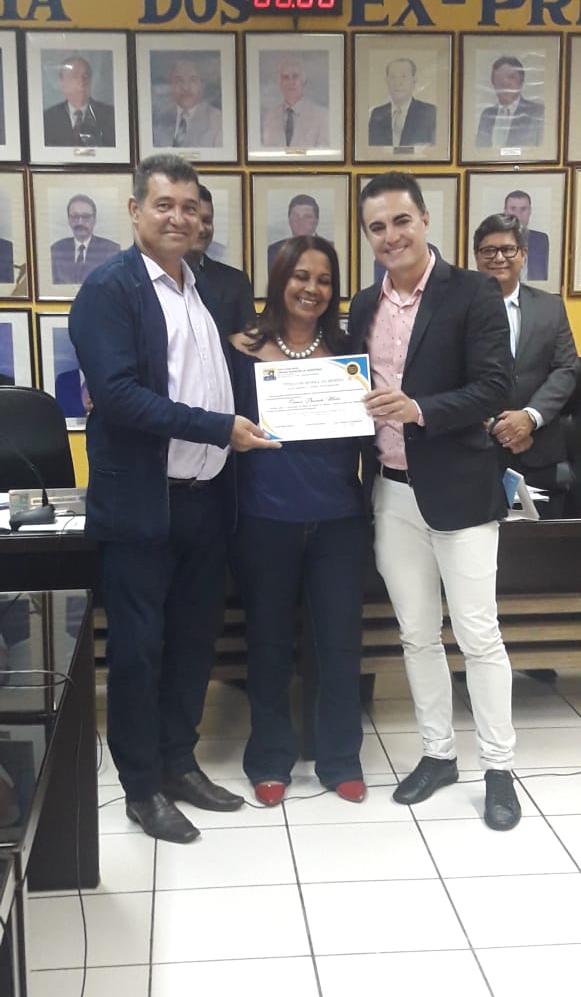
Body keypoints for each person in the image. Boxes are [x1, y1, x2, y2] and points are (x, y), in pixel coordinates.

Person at [68, 153, 279, 845]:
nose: (179, 218)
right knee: (137, 652)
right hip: (141, 506)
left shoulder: (204, 289)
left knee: (193, 642)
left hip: (207, 500)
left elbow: (232, 371)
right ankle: (141, 788)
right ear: (135, 210)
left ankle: (178, 762)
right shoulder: (110, 289)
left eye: (190, 207)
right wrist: (220, 428)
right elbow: (120, 397)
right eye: (164, 205)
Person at [349, 171, 521, 831]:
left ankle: (498, 768)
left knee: (478, 634)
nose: (390, 235)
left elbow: (494, 387)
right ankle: (438, 754)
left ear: (424, 220)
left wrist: (419, 408)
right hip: (391, 493)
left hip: (461, 492)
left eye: (401, 220)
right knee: (416, 633)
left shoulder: (472, 291)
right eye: (376, 227)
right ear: (367, 236)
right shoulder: (364, 304)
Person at [229, 235, 368, 807]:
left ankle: (340, 759)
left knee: (339, 642)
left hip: (338, 520)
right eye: (301, 276)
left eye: (325, 280)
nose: (313, 289)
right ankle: (268, 758)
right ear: (279, 279)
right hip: (265, 519)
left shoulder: (350, 351)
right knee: (266, 641)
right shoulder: (241, 349)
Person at [474, 212, 578, 519]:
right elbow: (449, 375)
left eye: (508, 249)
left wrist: (530, 418)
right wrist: (495, 423)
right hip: (477, 453)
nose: (498, 258)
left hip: (540, 454)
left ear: (523, 254)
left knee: (542, 547)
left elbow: (566, 369)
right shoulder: (456, 311)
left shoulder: (550, 307)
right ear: (477, 257)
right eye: (488, 250)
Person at [184, 184, 255, 338]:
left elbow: (248, 346)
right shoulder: (150, 279)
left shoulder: (236, 283)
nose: (201, 229)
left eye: (207, 220)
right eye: (194, 220)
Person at [43, 55, 116, 147]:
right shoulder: (47, 118)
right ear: (62, 82)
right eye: (74, 76)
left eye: (86, 75)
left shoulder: (110, 116)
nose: (81, 81)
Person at [152, 57, 222, 149]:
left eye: (193, 80)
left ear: (202, 85)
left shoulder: (218, 122)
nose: (185, 87)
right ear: (171, 86)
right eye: (179, 80)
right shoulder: (158, 120)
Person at [476, 55, 544, 149]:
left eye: (511, 77)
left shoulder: (538, 113)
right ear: (494, 84)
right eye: (499, 78)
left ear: (521, 82)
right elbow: (479, 152)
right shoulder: (486, 115)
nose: (505, 83)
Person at [51, 194, 120, 285]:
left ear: (94, 219)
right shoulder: (55, 251)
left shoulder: (112, 251)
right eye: (75, 216)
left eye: (86, 216)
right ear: (68, 220)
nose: (80, 222)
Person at [262, 56, 329, 148]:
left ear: (303, 80)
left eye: (295, 76)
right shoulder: (270, 116)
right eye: (286, 77)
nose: (291, 82)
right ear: (280, 83)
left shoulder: (322, 115)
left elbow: (324, 153)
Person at [368, 58, 436, 147]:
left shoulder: (429, 112)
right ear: (386, 80)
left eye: (404, 76)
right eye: (393, 77)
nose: (398, 83)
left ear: (414, 80)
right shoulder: (377, 113)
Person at [268, 194, 323, 272]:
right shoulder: (274, 251)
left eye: (307, 217)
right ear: (289, 219)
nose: (300, 221)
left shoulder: (330, 250)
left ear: (316, 221)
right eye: (295, 216)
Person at [504, 190, 549, 281]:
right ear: (505, 211)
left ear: (530, 211)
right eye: (513, 209)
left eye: (523, 209)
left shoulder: (541, 240)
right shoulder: (494, 240)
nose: (518, 214)